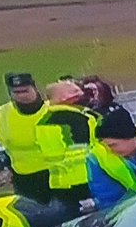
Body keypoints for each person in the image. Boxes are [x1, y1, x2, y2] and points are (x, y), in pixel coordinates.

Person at [0, 73, 53, 204]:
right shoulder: (1, 114)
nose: (22, 96)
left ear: (35, 88)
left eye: (25, 91)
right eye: (16, 92)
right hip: (23, 179)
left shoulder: (53, 109)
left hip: (56, 177)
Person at [38, 81, 97, 215]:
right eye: (74, 92)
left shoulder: (45, 119)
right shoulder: (77, 119)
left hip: (61, 184)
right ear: (60, 98)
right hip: (83, 180)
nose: (81, 94)